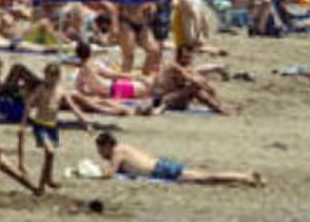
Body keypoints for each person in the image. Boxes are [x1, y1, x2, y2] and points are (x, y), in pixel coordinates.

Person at [20, 61, 90, 194]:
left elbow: (73, 107)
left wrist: (84, 122)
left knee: (50, 155)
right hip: (40, 124)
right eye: (47, 76)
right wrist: (23, 124)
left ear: (58, 77)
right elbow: (29, 105)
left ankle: (49, 179)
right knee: (50, 151)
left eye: (52, 77)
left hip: (52, 126)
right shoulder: (40, 89)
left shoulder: (61, 91)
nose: (49, 80)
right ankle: (41, 185)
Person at [95, 132, 262, 186]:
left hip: (160, 170)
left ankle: (246, 177)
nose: (100, 153)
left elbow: (111, 174)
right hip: (160, 167)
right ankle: (244, 178)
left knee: (205, 177)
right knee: (205, 177)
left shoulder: (118, 152)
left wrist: (91, 174)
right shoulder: (124, 148)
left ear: (107, 146)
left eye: (100, 149)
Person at [153, 44, 234, 115]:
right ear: (178, 57)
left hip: (177, 101)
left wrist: (213, 94)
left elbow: (204, 83)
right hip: (165, 102)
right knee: (194, 88)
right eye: (185, 57)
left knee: (198, 88)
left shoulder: (187, 67)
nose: (188, 60)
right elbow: (193, 80)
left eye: (189, 58)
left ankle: (220, 107)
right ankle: (220, 109)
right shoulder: (174, 67)